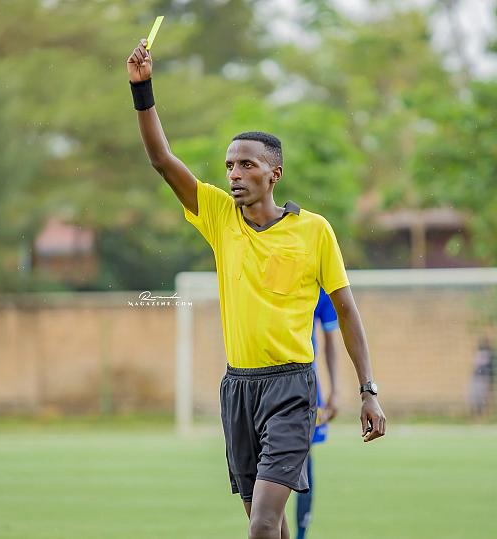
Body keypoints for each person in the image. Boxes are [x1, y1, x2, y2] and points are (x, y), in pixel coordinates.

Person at [127, 39, 386, 539]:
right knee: (268, 523)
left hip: (292, 388)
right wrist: (143, 89)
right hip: (239, 389)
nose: (234, 174)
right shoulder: (219, 217)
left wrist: (367, 391)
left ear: (274, 174)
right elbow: (162, 159)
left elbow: (347, 312)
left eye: (246, 165)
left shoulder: (314, 230)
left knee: (263, 525)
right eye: (229, 165)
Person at [296, 288, 340, 539]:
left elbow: (330, 340)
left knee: (303, 460)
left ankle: (301, 534)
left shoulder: (321, 287)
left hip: (305, 385)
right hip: (266, 379)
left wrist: (335, 389)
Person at [469, 338, 495, 418]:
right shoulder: (480, 353)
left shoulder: (488, 354)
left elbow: (490, 368)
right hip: (479, 377)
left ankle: (480, 413)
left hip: (483, 377)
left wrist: (491, 380)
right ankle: (477, 413)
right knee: (477, 396)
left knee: (481, 396)